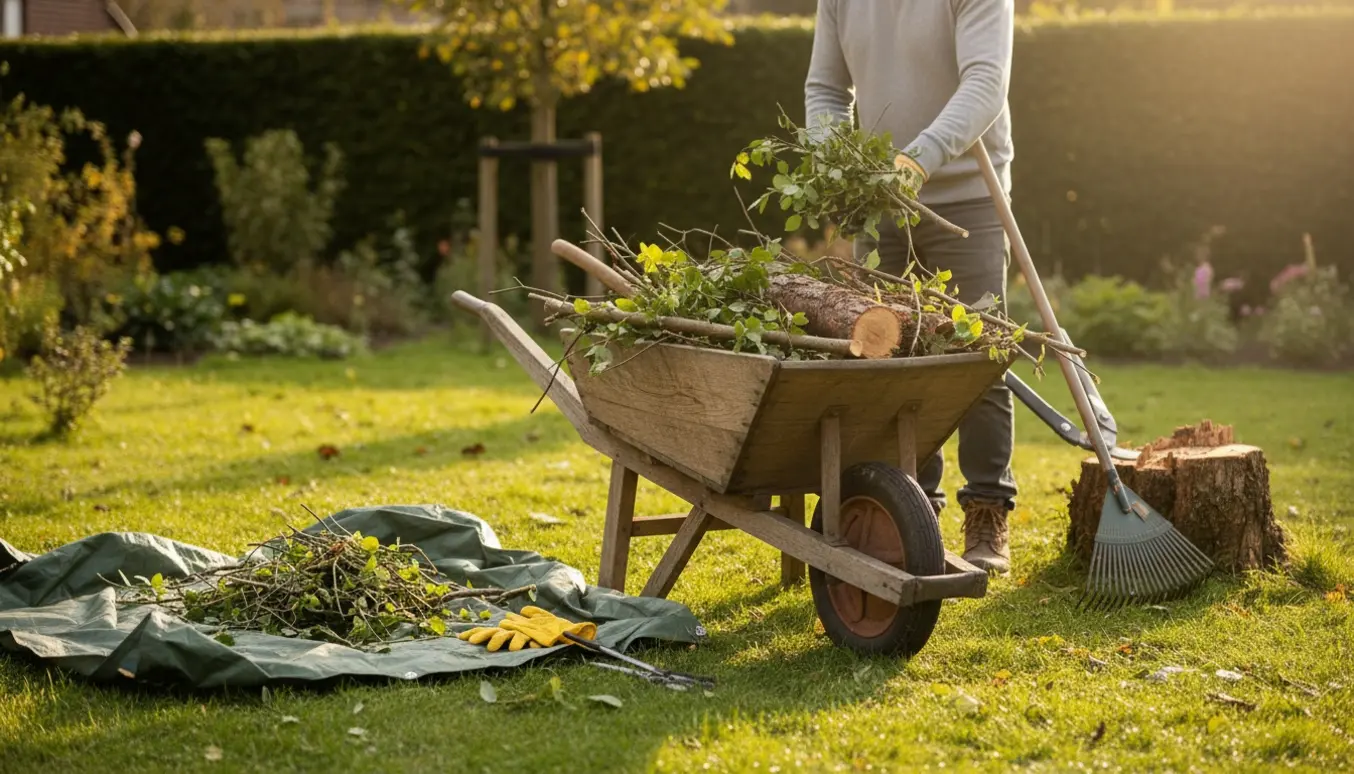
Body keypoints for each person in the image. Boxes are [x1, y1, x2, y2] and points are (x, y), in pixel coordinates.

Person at [804, 0, 1018, 574]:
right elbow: (826, 89)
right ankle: (910, 506)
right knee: (884, 356)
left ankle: (988, 507)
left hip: (968, 195)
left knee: (979, 353)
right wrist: (838, 161)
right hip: (877, 203)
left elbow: (986, 81)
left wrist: (918, 158)